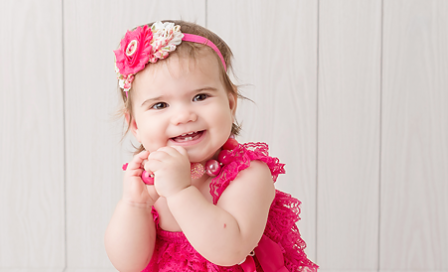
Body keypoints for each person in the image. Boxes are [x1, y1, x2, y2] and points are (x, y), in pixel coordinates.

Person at [105, 20, 318, 272]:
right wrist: (135, 205)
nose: (183, 116)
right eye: (160, 105)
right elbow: (128, 264)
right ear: (136, 125)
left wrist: (180, 192)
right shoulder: (150, 181)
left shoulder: (247, 175)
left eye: (200, 97)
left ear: (230, 104)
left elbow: (230, 251)